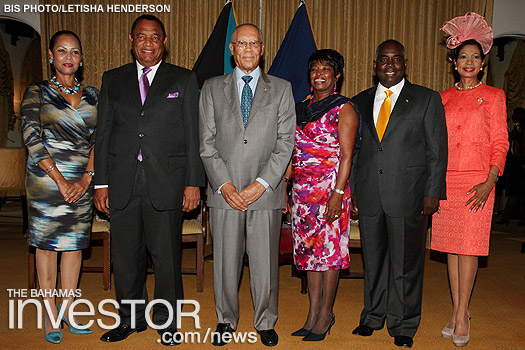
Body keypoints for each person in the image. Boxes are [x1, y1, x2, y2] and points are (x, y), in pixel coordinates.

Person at [94, 15, 204, 346]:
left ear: (164, 42)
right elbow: (103, 135)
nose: (148, 43)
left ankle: (167, 322)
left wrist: (193, 183)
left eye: (154, 37)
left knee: (167, 257)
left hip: (167, 183)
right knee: (126, 257)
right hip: (122, 181)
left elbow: (193, 134)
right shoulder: (112, 80)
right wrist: (100, 183)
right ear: (131, 39)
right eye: (141, 37)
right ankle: (130, 319)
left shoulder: (183, 80)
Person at [199, 23, 295, 347]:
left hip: (264, 193)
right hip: (224, 193)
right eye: (242, 44)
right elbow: (206, 144)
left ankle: (265, 321)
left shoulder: (281, 89)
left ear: (263, 48)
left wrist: (260, 185)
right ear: (232, 49)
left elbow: (286, 143)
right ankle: (226, 319)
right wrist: (225, 185)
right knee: (225, 262)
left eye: (254, 43)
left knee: (265, 262)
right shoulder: (211, 88)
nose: (248, 49)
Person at [350, 39, 448, 348]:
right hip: (368, 194)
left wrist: (432, 192)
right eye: (383, 59)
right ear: (374, 65)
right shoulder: (359, 101)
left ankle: (404, 323)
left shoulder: (426, 99)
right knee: (374, 260)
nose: (389, 65)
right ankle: (372, 316)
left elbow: (437, 151)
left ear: (405, 64)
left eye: (396, 59)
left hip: (409, 195)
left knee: (406, 263)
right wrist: (352, 191)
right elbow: (351, 152)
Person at [431, 12, 509, 347]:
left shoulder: (494, 96)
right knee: (452, 248)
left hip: (479, 181)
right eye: (463, 56)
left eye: (475, 57)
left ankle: (462, 314)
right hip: (447, 181)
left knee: (470, 249)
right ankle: (456, 308)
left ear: (482, 63)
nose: (469, 62)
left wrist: (491, 180)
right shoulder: (442, 98)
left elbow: (500, 141)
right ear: (454, 61)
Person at [21, 30, 98, 344]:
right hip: (46, 182)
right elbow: (31, 138)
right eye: (62, 51)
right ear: (51, 56)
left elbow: (100, 140)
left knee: (75, 245)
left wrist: (85, 179)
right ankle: (49, 311)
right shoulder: (36, 91)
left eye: (75, 51)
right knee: (47, 246)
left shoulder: (94, 94)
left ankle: (68, 307)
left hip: (82, 181)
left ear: (81, 59)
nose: (69, 57)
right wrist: (61, 179)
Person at [283, 49, 360, 341]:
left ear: (337, 75)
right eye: (314, 69)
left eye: (326, 69)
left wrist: (338, 194)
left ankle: (326, 314)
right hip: (302, 194)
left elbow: (348, 156)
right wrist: (285, 186)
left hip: (330, 190)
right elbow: (293, 152)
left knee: (328, 255)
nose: (319, 75)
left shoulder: (344, 108)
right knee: (307, 255)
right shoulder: (300, 107)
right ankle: (312, 313)